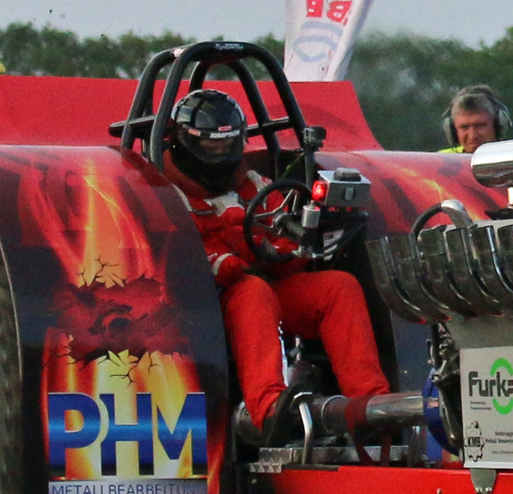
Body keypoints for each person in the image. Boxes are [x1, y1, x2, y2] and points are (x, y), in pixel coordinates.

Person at [160, 89, 389, 442]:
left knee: (337, 286)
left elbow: (285, 234)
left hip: (263, 287)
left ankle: (371, 403)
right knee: (252, 291)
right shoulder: (162, 192)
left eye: (226, 145)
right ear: (183, 141)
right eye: (211, 146)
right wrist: (228, 264)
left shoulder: (253, 183)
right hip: (201, 303)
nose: (220, 154)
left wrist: (284, 250)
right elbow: (173, 256)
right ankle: (268, 407)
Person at [440, 85, 511, 155]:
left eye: (480, 126)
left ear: (497, 125)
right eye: (464, 127)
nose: (472, 136)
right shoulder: (442, 161)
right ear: (453, 130)